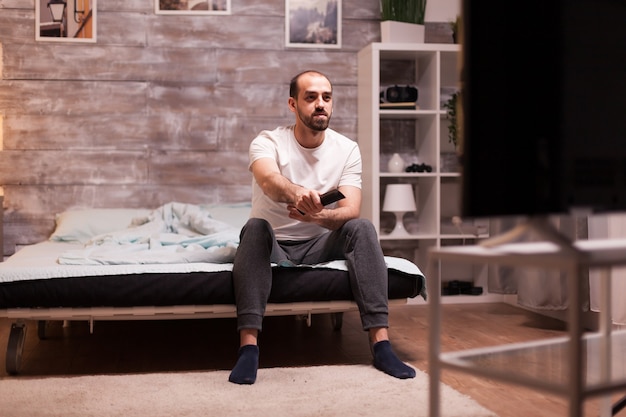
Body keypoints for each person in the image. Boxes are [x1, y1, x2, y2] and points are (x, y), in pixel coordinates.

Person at [228, 70, 416, 385]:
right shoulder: (268, 141)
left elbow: (351, 208)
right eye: (311, 97)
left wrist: (316, 217)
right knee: (255, 227)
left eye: (326, 98)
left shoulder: (347, 149)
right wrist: (297, 193)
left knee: (362, 227)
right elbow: (268, 181)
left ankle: (381, 344)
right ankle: (249, 349)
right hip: (274, 244)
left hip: (319, 244)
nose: (320, 105)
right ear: (293, 103)